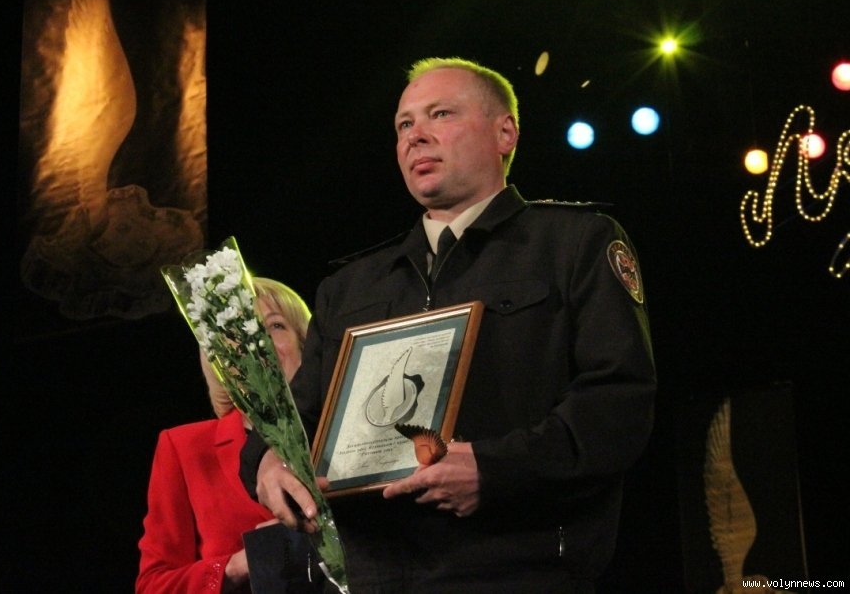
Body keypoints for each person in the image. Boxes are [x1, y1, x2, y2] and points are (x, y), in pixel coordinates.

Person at [242, 57, 657, 592]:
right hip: (374, 577)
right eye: (404, 124)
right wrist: (267, 462)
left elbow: (617, 403)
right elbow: (292, 420)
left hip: (517, 570)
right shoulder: (349, 287)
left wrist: (495, 469)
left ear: (505, 133)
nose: (416, 136)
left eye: (441, 114)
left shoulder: (574, 244)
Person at [136, 277, 314, 593]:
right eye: (237, 331)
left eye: (275, 326)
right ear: (218, 360)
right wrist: (239, 565)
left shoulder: (340, 431)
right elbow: (153, 586)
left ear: (306, 346)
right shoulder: (184, 447)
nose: (257, 342)